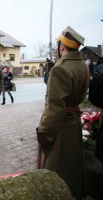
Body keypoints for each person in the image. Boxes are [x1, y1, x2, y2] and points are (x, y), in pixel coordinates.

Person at [36, 26, 89, 200]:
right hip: (73, 123)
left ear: (62, 47)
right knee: (72, 169)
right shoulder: (83, 66)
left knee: (55, 172)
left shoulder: (60, 69)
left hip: (60, 127)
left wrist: (44, 134)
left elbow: (54, 108)